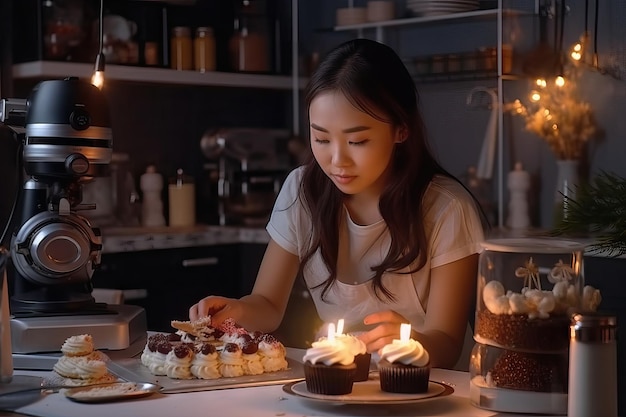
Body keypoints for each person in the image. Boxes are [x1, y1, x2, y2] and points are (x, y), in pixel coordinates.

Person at [190, 38, 486, 368]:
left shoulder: (447, 208)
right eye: (321, 138)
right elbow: (268, 305)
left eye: (357, 140)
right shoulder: (302, 190)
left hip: (430, 390)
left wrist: (413, 342)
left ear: (401, 130)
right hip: (342, 381)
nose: (336, 160)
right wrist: (238, 310)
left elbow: (447, 342)